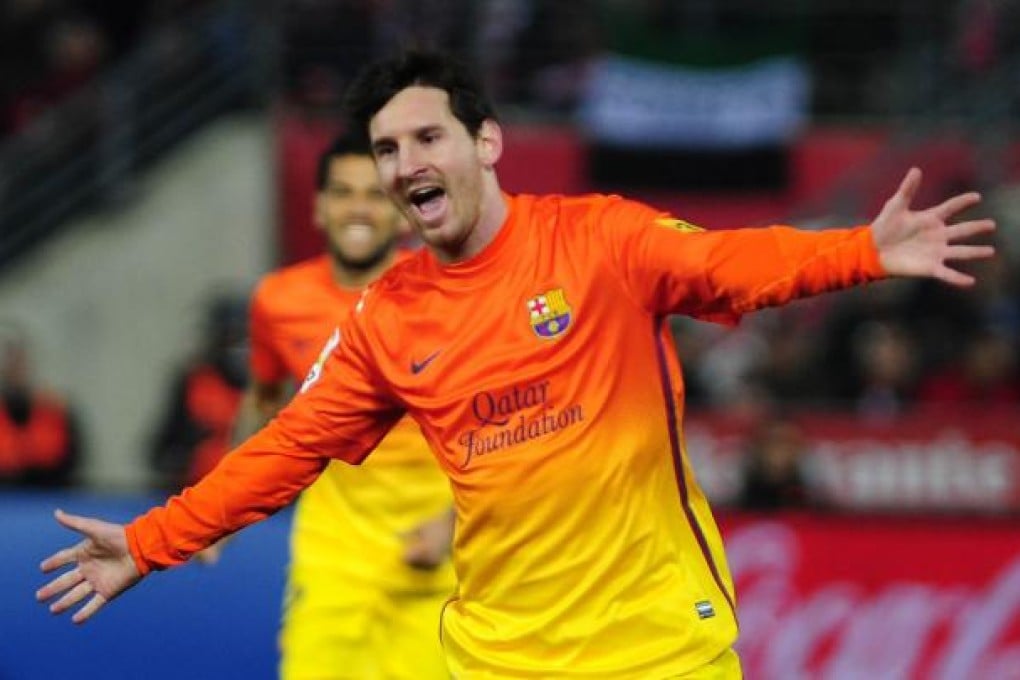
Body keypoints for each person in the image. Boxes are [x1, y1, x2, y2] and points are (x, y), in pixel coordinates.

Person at [37, 50, 996, 678]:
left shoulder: (600, 240)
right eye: (385, 148)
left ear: (486, 142)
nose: (406, 161)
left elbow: (726, 266)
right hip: (496, 659)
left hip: (659, 647)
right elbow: (288, 447)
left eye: (427, 136)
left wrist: (864, 251)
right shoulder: (388, 321)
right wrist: (153, 540)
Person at [226, 132, 455, 679]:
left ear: (403, 214)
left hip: (443, 559)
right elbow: (262, 404)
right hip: (334, 559)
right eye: (342, 192)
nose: (357, 208)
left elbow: (507, 425)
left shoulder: (448, 300)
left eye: (375, 195)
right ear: (318, 207)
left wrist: (454, 522)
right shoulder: (277, 302)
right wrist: (221, 510)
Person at [148, 294, 249, 491]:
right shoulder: (195, 381)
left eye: (246, 340)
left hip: (266, 504)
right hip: (198, 495)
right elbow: (160, 453)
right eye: (232, 338)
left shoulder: (277, 387)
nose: (241, 350)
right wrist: (190, 448)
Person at [0, 325, 81, 487]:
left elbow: (71, 457)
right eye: (10, 360)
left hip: (47, 493)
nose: (16, 368)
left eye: (20, 361)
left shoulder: (54, 410)